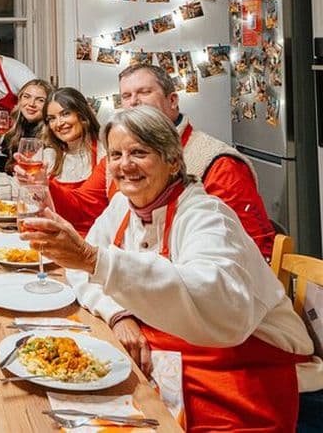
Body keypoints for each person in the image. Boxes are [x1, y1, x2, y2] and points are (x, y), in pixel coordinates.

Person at [21, 107, 320, 431]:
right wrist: (118, 314)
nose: (125, 165)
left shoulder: (206, 215)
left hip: (240, 379)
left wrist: (95, 260)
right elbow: (81, 269)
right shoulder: (123, 205)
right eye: (117, 154)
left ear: (173, 161)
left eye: (139, 152)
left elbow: (219, 301)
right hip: (168, 364)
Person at [47, 64, 275, 257]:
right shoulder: (117, 159)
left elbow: (253, 249)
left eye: (144, 92)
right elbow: (84, 207)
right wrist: (42, 183)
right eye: (126, 96)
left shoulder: (217, 162)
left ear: (172, 100)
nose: (133, 102)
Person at [0, 79, 51, 173]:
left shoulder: (52, 136)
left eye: (40, 100)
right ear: (20, 100)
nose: (31, 104)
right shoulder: (13, 134)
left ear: (49, 105)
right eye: (27, 97)